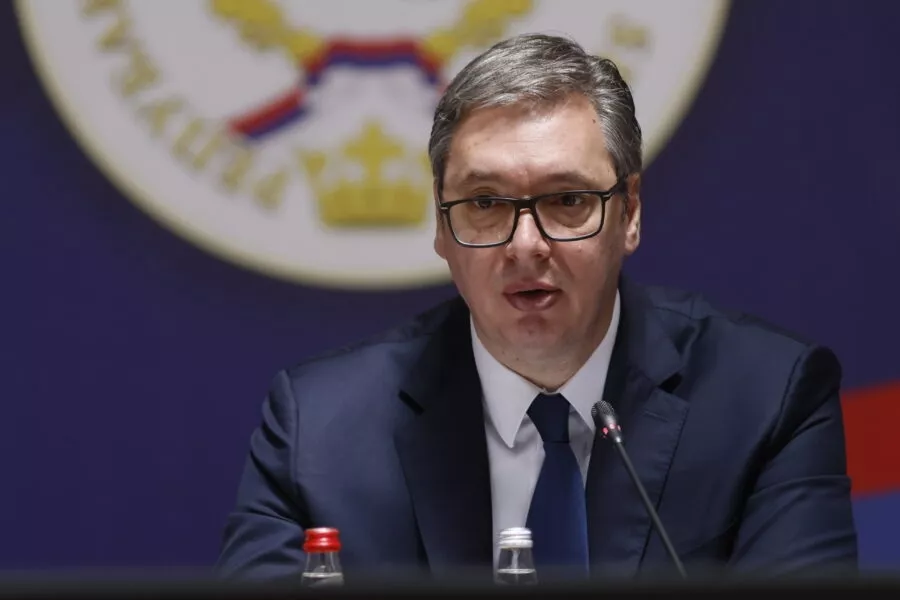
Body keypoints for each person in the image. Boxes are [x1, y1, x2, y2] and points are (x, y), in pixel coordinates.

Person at [215, 33, 858, 582]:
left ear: (630, 212)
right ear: (441, 224)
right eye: (485, 204)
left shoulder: (765, 400)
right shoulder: (319, 429)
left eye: (567, 200)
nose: (526, 245)